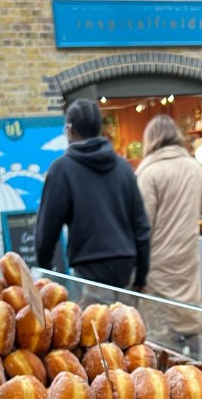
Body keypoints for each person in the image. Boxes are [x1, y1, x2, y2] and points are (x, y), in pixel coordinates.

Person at [35, 98, 151, 292]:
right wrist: (141, 276)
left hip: (89, 269)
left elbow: (47, 229)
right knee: (126, 322)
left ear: (70, 129)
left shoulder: (62, 169)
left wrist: (45, 270)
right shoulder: (123, 167)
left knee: (94, 322)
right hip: (126, 267)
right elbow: (141, 226)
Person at [134, 114, 202, 354]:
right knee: (190, 321)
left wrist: (138, 274)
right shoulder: (194, 168)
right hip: (187, 257)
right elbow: (197, 209)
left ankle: (168, 382)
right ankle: (197, 377)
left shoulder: (149, 172)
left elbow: (143, 225)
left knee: (161, 335)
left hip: (158, 263)